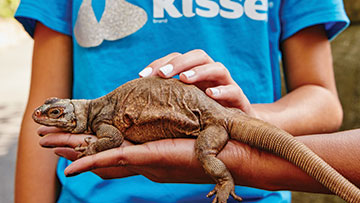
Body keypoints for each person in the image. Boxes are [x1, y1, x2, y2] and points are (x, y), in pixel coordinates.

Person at [14, 0, 350, 202]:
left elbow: (323, 99)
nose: (50, 116)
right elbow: (38, 122)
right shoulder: (98, 114)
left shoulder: (102, 124)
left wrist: (244, 119)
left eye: (57, 112)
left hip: (248, 189)